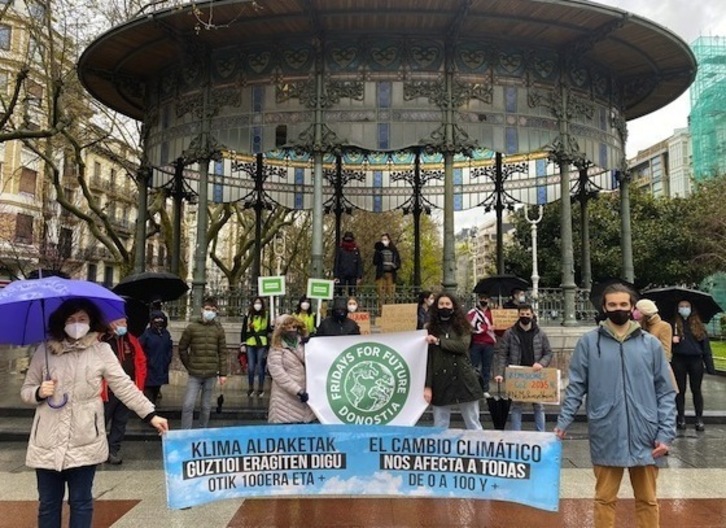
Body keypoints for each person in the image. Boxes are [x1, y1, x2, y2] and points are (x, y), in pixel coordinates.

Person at [20, 298, 168, 528]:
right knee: (48, 504)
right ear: (62, 322)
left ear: (91, 322)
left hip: (85, 438)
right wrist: (39, 392)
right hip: (47, 441)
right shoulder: (45, 351)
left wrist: (150, 414)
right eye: (71, 319)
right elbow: (26, 391)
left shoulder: (101, 351)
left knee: (81, 502)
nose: (76, 324)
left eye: (82, 319)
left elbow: (124, 386)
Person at [555, 284, 676, 528]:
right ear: (604, 307)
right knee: (604, 499)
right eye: (613, 305)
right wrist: (563, 422)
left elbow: (665, 391)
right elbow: (576, 386)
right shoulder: (589, 343)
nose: (618, 309)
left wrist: (666, 434)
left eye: (623, 305)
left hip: (646, 432)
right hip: (607, 430)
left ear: (633, 308)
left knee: (648, 500)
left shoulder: (650, 344)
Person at [424, 293, 483, 430]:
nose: (444, 307)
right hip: (440, 380)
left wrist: (439, 341)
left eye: (447, 304)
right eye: (441, 304)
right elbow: (428, 359)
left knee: (473, 422)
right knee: (440, 424)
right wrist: (428, 385)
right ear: (436, 307)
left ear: (453, 306)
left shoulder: (463, 326)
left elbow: (462, 346)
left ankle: (478, 448)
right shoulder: (429, 328)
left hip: (464, 378)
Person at [494, 304, 553, 431]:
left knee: (538, 405)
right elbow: (502, 354)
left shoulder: (540, 333)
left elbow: (548, 352)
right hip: (518, 374)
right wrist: (499, 373)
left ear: (532, 315)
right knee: (516, 406)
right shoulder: (510, 333)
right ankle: (517, 435)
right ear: (518, 315)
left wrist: (541, 363)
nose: (525, 316)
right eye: (522, 314)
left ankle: (541, 434)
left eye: (527, 314)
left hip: (536, 373)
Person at [100, 317, 148, 465]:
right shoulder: (101, 340)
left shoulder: (131, 340)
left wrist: (139, 384)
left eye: (125, 322)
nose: (124, 325)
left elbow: (141, 360)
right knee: (101, 422)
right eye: (121, 322)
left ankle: (113, 450)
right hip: (106, 391)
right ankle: (98, 451)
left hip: (128, 389)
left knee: (120, 422)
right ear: (111, 323)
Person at [178, 297, 228, 429]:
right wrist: (189, 365)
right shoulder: (192, 328)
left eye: (212, 310)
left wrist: (223, 373)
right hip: (195, 373)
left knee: (206, 407)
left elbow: (223, 351)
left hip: (211, 374)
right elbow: (182, 348)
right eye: (207, 309)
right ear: (202, 310)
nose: (209, 312)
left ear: (216, 311)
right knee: (188, 405)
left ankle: (202, 431)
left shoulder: (218, 329)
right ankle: (185, 433)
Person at [671, 300, 716, 431]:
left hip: (696, 361)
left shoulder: (698, 325)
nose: (684, 309)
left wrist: (710, 367)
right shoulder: (673, 324)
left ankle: (699, 419)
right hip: (679, 360)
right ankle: (680, 418)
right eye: (681, 306)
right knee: (680, 390)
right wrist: (673, 340)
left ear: (692, 308)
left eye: (687, 306)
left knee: (696, 390)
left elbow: (706, 348)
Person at [267, 314, 316, 424]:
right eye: (288, 328)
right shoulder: (276, 348)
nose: (292, 330)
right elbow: (278, 373)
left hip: (304, 396)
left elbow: (311, 361)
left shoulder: (302, 344)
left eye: (294, 327)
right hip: (284, 398)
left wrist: (311, 344)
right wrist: (297, 391)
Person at [139, 310, 173, 406]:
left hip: (161, 368)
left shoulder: (165, 334)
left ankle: (151, 413)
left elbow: (169, 348)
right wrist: (147, 362)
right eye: (156, 319)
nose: (159, 321)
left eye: (160, 319)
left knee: (155, 393)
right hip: (149, 369)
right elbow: (139, 349)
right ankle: (148, 416)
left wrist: (167, 359)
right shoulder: (146, 334)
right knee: (148, 395)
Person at [466, 293, 497, 397]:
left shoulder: (493, 313)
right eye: (482, 298)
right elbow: (470, 327)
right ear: (479, 299)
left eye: (486, 298)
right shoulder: (472, 312)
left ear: (489, 300)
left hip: (489, 344)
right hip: (476, 343)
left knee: (487, 368)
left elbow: (499, 327)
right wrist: (486, 328)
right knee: (474, 367)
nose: (484, 300)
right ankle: (474, 388)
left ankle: (485, 389)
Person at [240, 296, 271, 397]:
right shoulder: (248, 315)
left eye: (259, 303)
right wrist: (243, 343)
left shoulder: (266, 315)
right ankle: (250, 387)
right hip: (250, 342)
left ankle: (261, 388)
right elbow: (244, 330)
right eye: (256, 303)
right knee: (251, 367)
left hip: (262, 343)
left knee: (260, 367)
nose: (257, 305)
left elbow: (269, 330)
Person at [373, 232, 401, 313]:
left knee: (390, 295)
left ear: (389, 240)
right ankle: (381, 313)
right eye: (382, 240)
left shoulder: (394, 250)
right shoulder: (378, 250)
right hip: (381, 274)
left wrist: (394, 265)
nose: (384, 241)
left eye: (385, 239)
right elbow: (375, 262)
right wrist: (378, 251)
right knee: (380, 295)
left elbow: (398, 262)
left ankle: (390, 313)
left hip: (391, 274)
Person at [333, 231, 364, 296]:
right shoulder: (340, 249)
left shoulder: (355, 249)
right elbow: (337, 262)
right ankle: (341, 304)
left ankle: (352, 304)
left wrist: (359, 276)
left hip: (353, 274)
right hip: (342, 274)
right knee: (341, 292)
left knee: (352, 292)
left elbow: (359, 263)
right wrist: (336, 276)